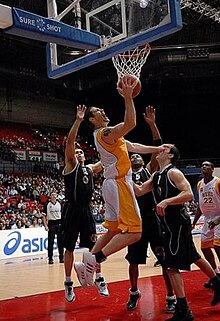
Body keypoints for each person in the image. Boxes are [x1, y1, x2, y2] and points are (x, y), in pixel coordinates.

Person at [77, 76, 166, 288]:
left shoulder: (111, 137)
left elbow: (133, 144)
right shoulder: (105, 133)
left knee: (113, 229)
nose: (103, 112)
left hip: (111, 184)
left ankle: (87, 260)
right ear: (92, 120)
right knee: (135, 233)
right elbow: (131, 123)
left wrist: (158, 149)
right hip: (119, 184)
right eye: (98, 111)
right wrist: (128, 97)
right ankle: (95, 260)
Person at [134, 144, 220, 321]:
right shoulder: (156, 175)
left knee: (170, 264)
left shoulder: (173, 173)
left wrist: (167, 201)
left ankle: (183, 309)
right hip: (167, 224)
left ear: (171, 156)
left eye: (165, 149)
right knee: (194, 256)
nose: (160, 150)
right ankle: (218, 284)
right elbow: (140, 190)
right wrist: (122, 177)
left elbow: (188, 194)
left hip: (176, 223)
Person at [125, 105, 176, 313]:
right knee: (133, 261)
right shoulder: (124, 174)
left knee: (163, 258)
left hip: (152, 219)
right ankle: (134, 292)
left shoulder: (149, 170)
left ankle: (171, 295)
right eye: (133, 156)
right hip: (134, 221)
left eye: (138, 156)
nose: (136, 157)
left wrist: (153, 125)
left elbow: (158, 145)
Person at [62, 105, 109, 303]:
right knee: (70, 249)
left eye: (82, 152)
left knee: (94, 247)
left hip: (86, 210)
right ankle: (68, 284)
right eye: (77, 151)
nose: (79, 153)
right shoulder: (70, 166)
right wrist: (79, 120)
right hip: (71, 210)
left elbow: (106, 160)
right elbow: (70, 141)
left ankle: (99, 278)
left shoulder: (89, 169)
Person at [192, 161, 220, 288]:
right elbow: (200, 205)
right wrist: (194, 222)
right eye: (202, 165)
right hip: (208, 220)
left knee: (218, 247)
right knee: (204, 248)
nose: (204, 166)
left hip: (219, 219)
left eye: (207, 165)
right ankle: (216, 274)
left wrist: (218, 220)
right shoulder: (199, 184)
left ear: (212, 169)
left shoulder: (218, 182)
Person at [42, 191, 64, 264]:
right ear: (50, 196)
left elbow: (63, 215)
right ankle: (50, 258)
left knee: (60, 242)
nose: (54, 196)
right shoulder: (47, 204)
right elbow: (44, 216)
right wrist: (45, 225)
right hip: (51, 224)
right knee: (50, 242)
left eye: (55, 195)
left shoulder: (60, 204)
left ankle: (61, 257)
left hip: (59, 223)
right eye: (53, 195)